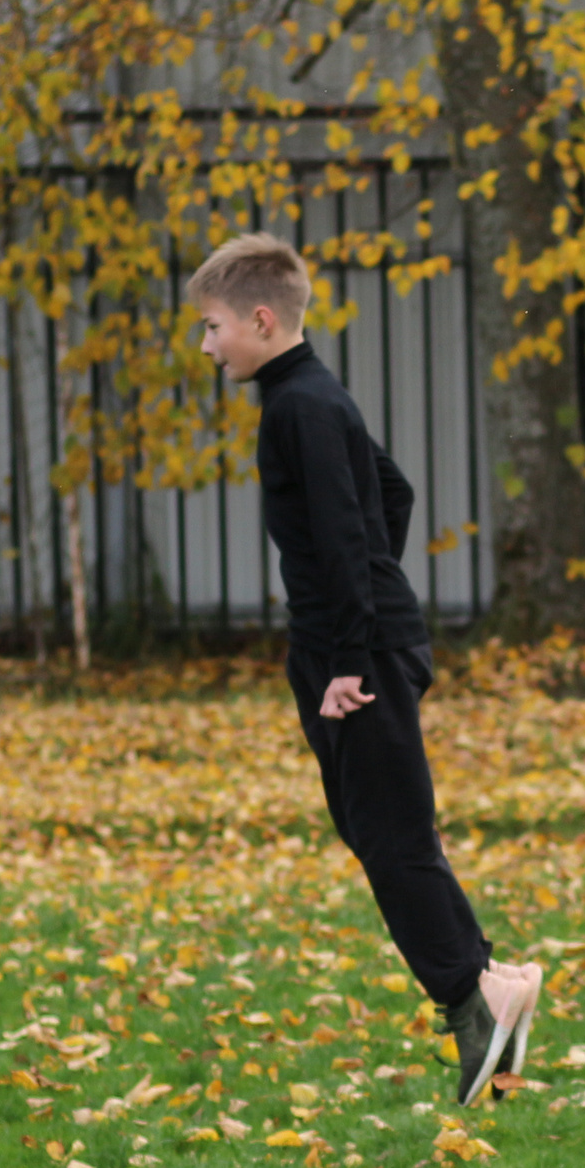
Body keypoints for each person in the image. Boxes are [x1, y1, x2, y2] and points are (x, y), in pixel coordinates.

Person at [189, 233, 540, 1106]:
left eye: (213, 327)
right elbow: (392, 494)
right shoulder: (312, 395)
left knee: (390, 837)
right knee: (382, 830)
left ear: (261, 319)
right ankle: (486, 983)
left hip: (353, 655)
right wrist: (366, 607)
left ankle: (478, 992)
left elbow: (354, 525)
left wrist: (350, 650)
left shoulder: (298, 407)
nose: (207, 346)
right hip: (352, 643)